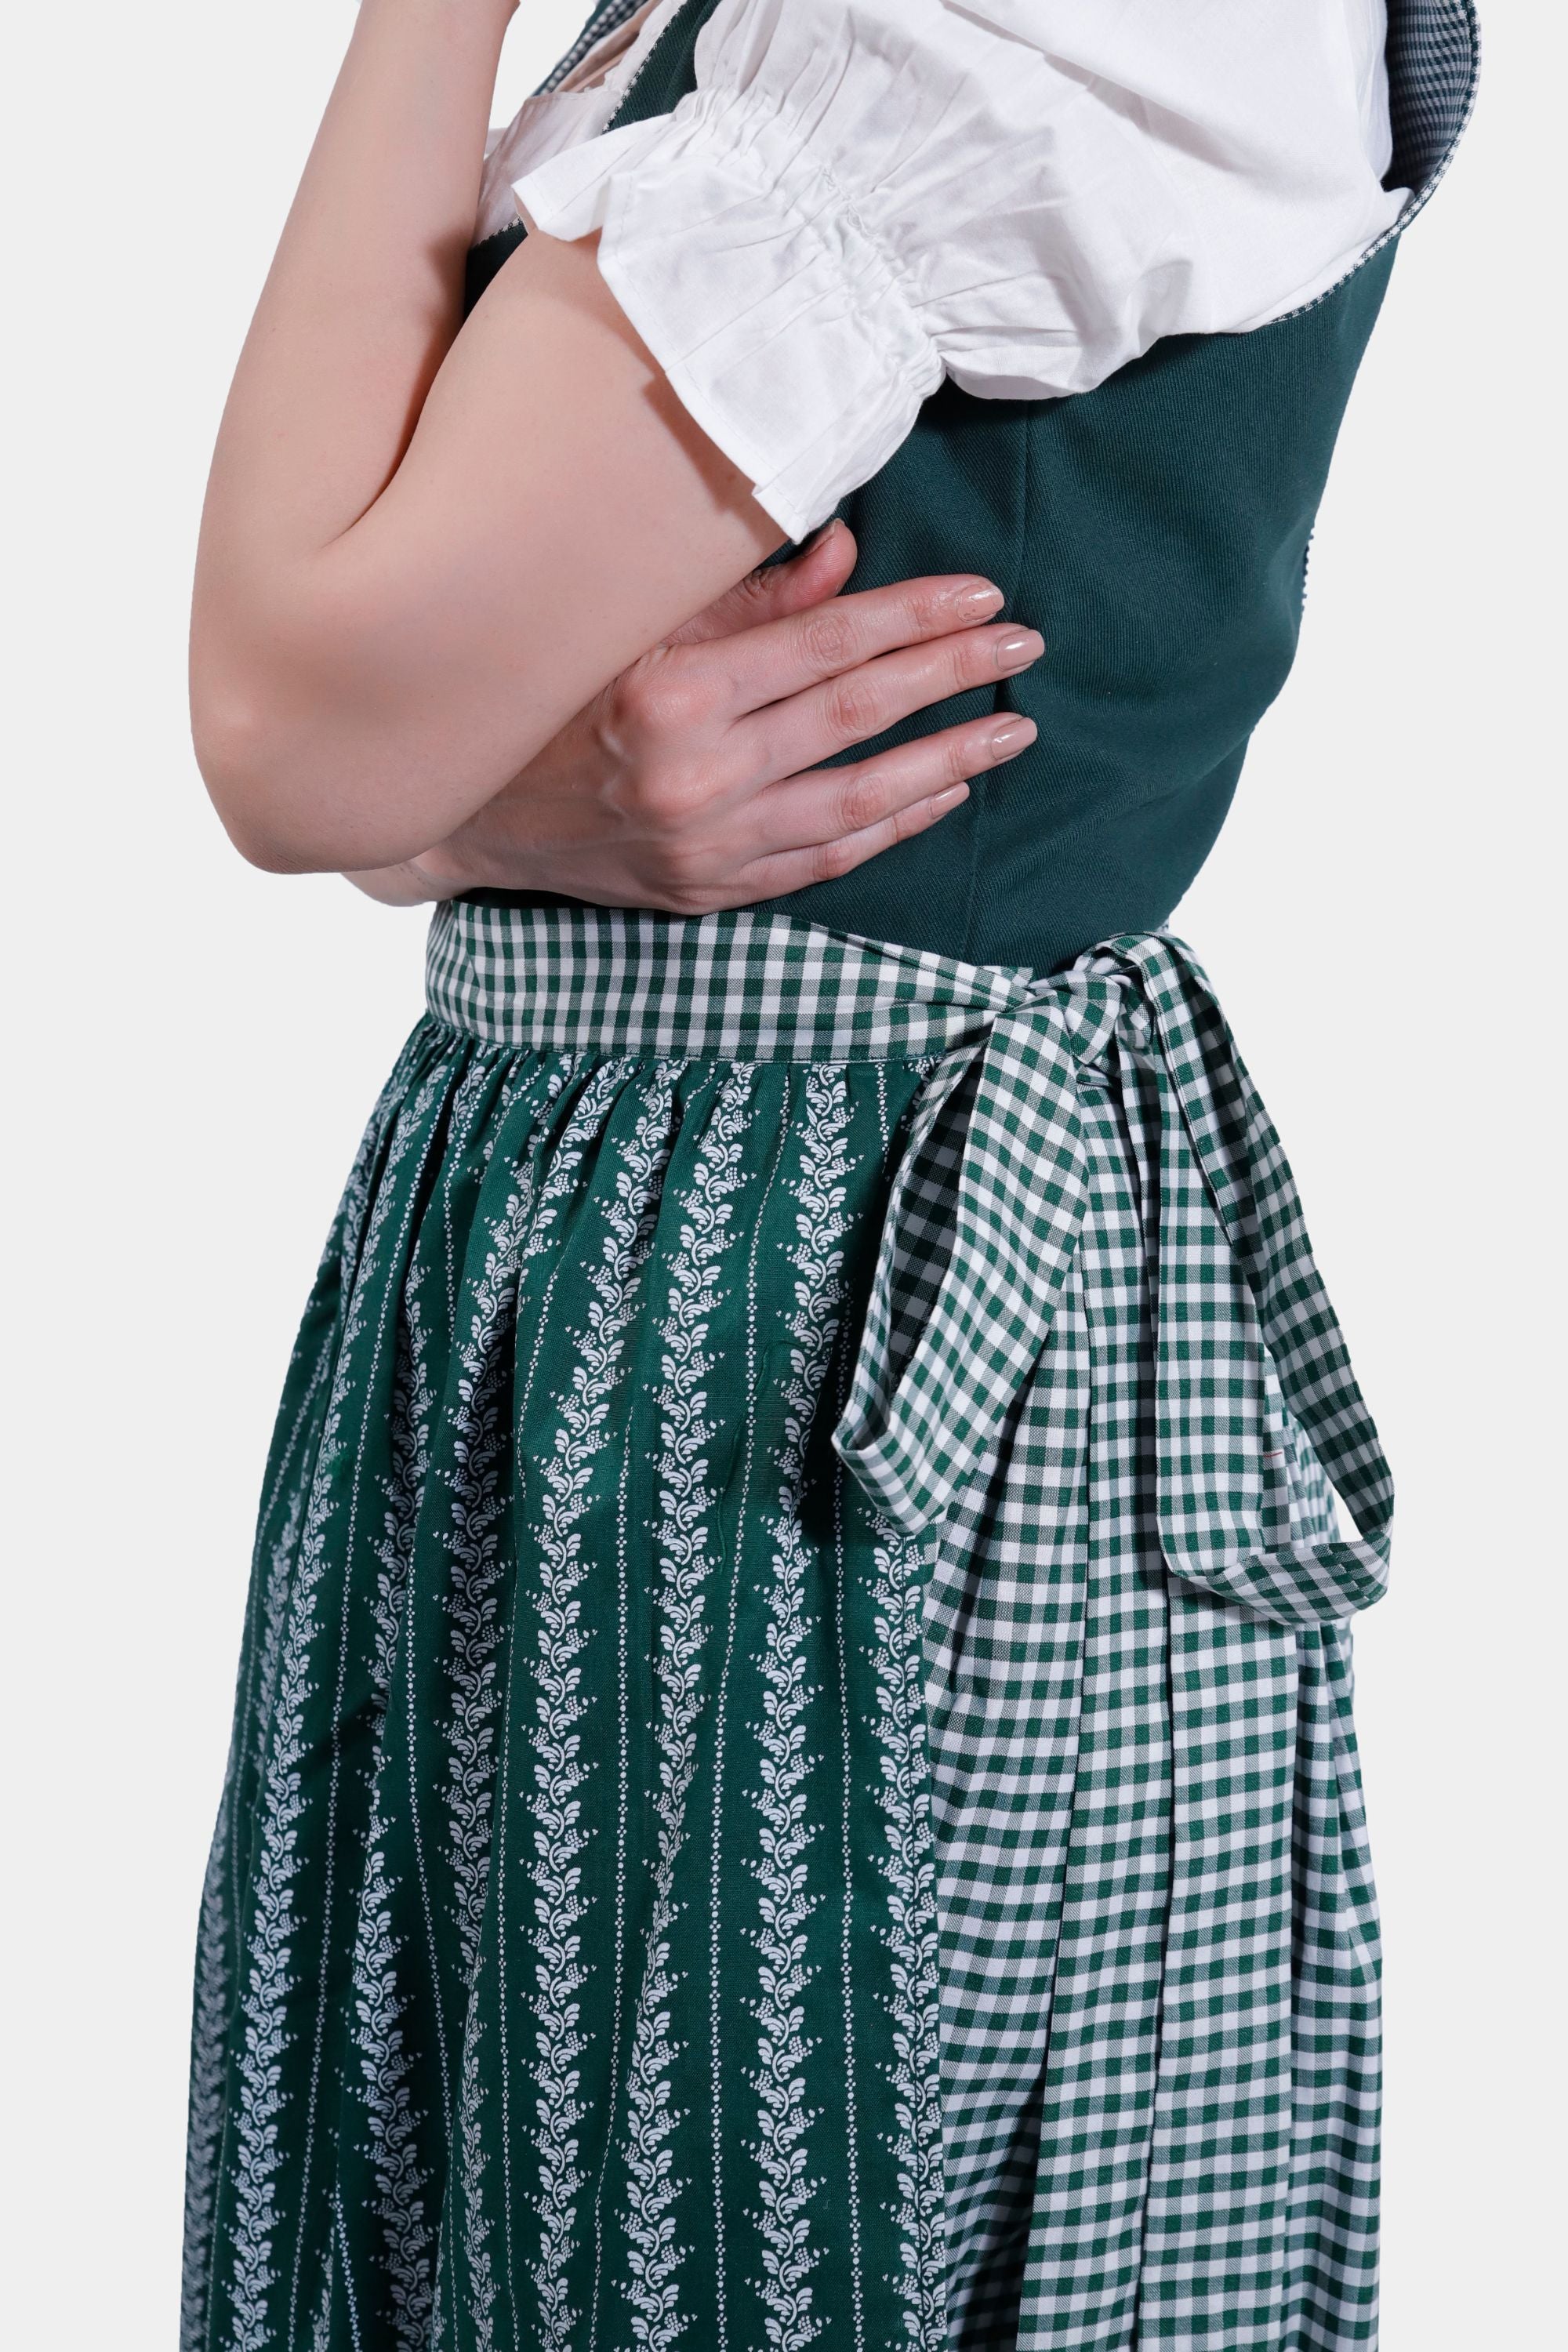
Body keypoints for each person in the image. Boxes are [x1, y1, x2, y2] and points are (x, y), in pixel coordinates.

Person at [180, 2, 1478, 2347]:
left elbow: (297, 720)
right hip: (577, 1274)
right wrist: (484, 805)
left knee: (779, 2220)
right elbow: (379, 751)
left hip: (806, 1317)